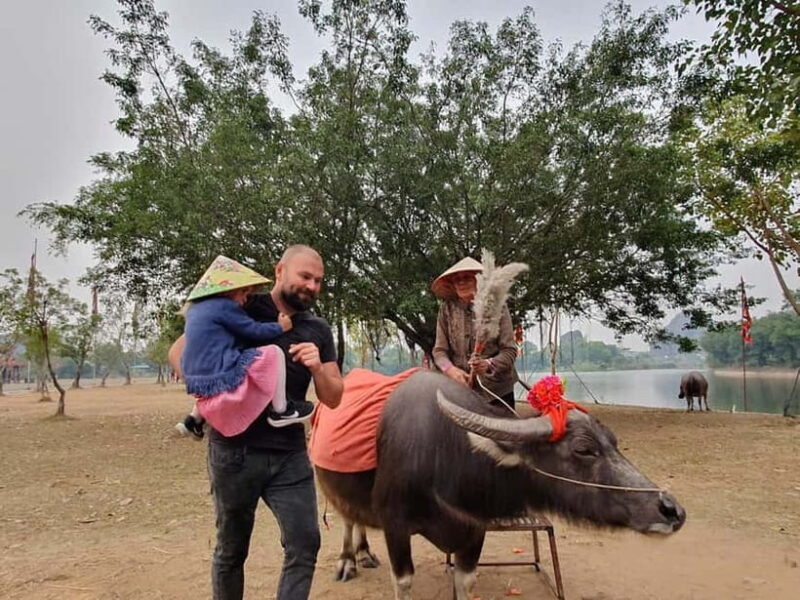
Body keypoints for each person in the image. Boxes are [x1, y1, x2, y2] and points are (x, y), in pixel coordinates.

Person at [169, 245, 343, 600]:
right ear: (280, 271)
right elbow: (179, 351)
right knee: (231, 550)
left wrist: (315, 367)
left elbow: (334, 395)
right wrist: (215, 388)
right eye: (304, 276)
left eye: (318, 281)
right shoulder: (242, 304)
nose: (311, 286)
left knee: (304, 543)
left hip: (289, 455)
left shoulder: (318, 329)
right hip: (234, 452)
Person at [174, 255, 313, 441]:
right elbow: (253, 330)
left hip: (196, 378)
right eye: (244, 294)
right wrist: (281, 327)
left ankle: (193, 420)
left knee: (212, 388)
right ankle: (281, 410)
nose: (245, 300)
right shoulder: (224, 306)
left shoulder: (195, 310)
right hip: (221, 370)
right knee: (274, 353)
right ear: (230, 290)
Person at [430, 256, 519, 409]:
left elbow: (510, 350)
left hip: (496, 392)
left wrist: (489, 364)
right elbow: (439, 352)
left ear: (479, 280)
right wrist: (449, 369)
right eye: (456, 279)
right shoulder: (447, 309)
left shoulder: (497, 306)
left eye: (467, 277)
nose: (461, 282)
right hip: (460, 392)